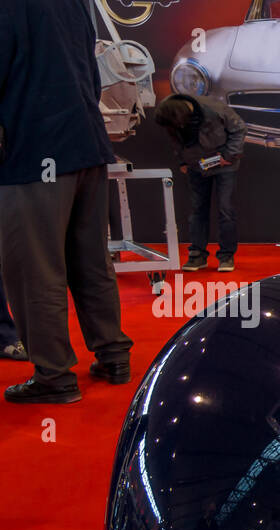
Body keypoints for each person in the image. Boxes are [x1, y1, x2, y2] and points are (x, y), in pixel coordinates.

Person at [0, 0, 133, 404]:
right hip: (86, 143)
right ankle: (113, 356)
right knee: (91, 259)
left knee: (35, 269)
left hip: (33, 150)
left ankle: (54, 376)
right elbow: (92, 69)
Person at [154, 93, 247, 273]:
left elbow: (239, 128)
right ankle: (197, 255)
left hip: (224, 163)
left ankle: (226, 256)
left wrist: (228, 155)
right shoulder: (169, 114)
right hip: (196, 165)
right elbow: (175, 140)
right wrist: (182, 161)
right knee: (197, 210)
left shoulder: (214, 108)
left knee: (225, 209)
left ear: (181, 116)